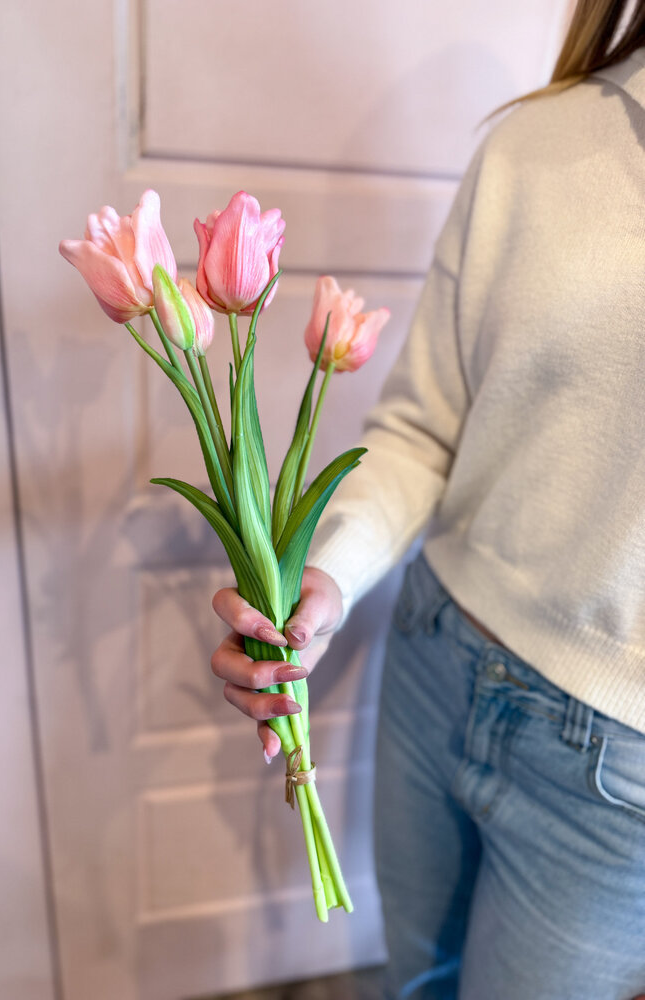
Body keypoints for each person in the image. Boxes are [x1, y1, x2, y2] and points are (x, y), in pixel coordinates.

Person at [210, 1, 645, 997]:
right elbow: (421, 428)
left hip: (619, 772)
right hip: (435, 658)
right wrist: (320, 580)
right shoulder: (536, 142)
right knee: (412, 979)